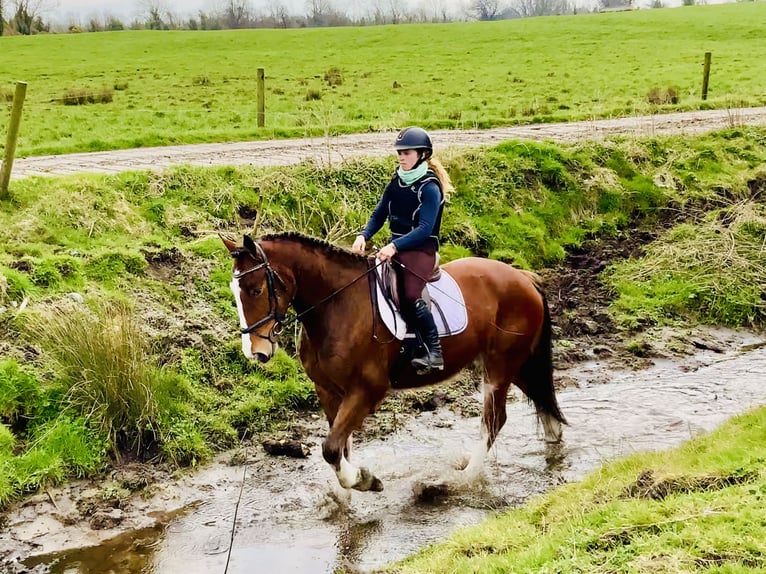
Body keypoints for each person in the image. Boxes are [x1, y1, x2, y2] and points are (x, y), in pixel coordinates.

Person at [351, 126, 454, 374]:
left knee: (408, 295)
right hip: (395, 247)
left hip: (421, 250)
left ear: (421, 154)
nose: (401, 156)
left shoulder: (429, 187)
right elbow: (379, 214)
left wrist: (395, 246)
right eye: (399, 152)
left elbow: (425, 227)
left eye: (406, 152)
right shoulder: (396, 181)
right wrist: (364, 234)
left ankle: (433, 351)